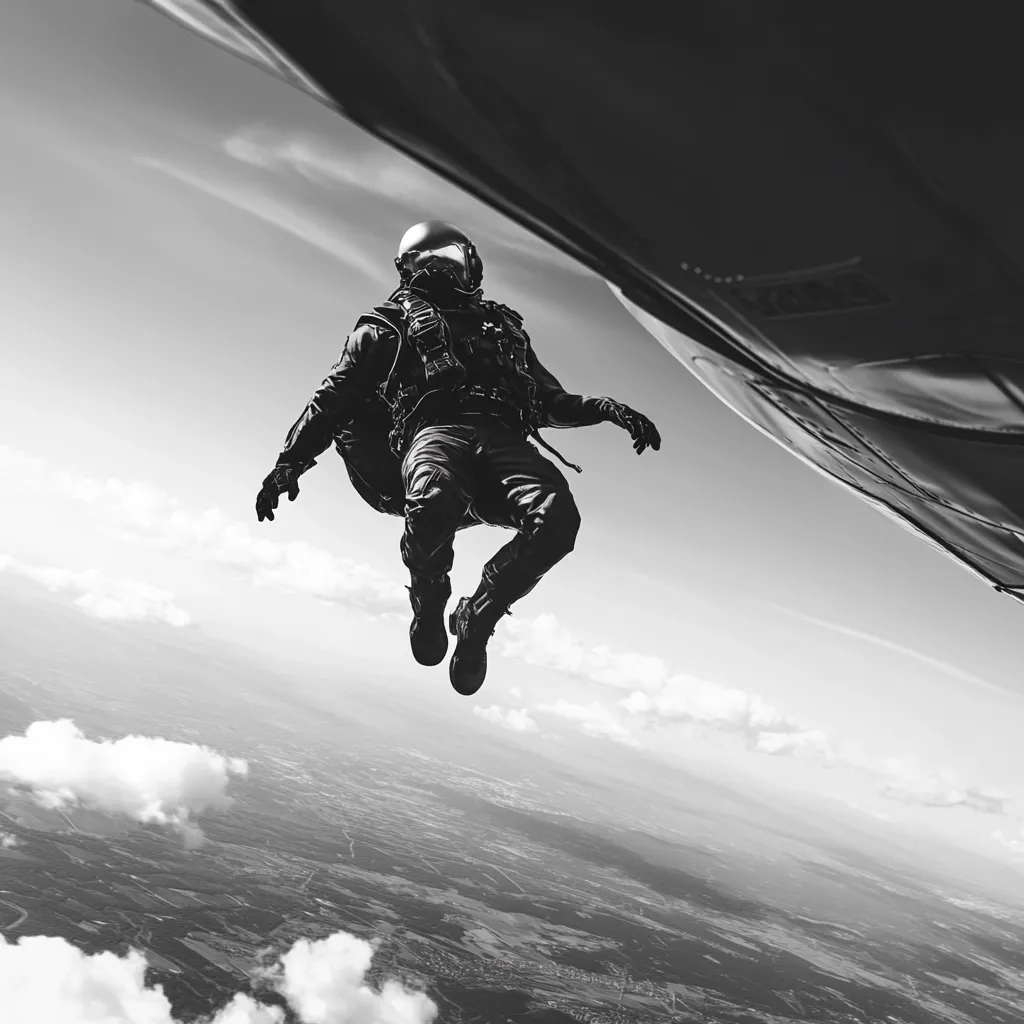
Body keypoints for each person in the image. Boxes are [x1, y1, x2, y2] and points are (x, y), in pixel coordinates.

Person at [256, 221, 660, 695]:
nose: (438, 269)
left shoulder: (505, 331)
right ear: (406, 270)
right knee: (432, 496)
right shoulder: (387, 326)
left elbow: (548, 401)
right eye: (425, 262)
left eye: (447, 259)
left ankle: (477, 618)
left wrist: (605, 408)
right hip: (434, 434)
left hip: (504, 442)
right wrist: (291, 461)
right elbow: (335, 397)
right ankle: (429, 601)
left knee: (557, 519)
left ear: (470, 266)